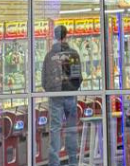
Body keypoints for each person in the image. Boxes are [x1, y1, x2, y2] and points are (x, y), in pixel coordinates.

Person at [42, 25, 83, 166]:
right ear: (66, 36)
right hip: (70, 96)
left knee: (55, 129)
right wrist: (72, 88)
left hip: (55, 98)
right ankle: (73, 161)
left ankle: (54, 163)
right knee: (71, 128)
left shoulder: (49, 56)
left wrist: (52, 91)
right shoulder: (73, 54)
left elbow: (44, 79)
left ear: (54, 36)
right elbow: (78, 77)